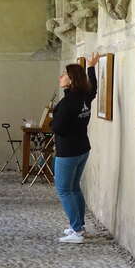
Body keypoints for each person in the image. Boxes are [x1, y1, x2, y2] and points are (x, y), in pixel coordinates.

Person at [51, 53, 99, 244]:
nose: (60, 77)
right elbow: (94, 88)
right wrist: (91, 68)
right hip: (82, 149)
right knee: (74, 187)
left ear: (71, 81)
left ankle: (77, 230)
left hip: (68, 151)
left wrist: (52, 120)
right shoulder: (84, 96)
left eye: (64, 74)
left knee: (64, 189)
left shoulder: (67, 103)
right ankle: (80, 226)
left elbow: (57, 128)